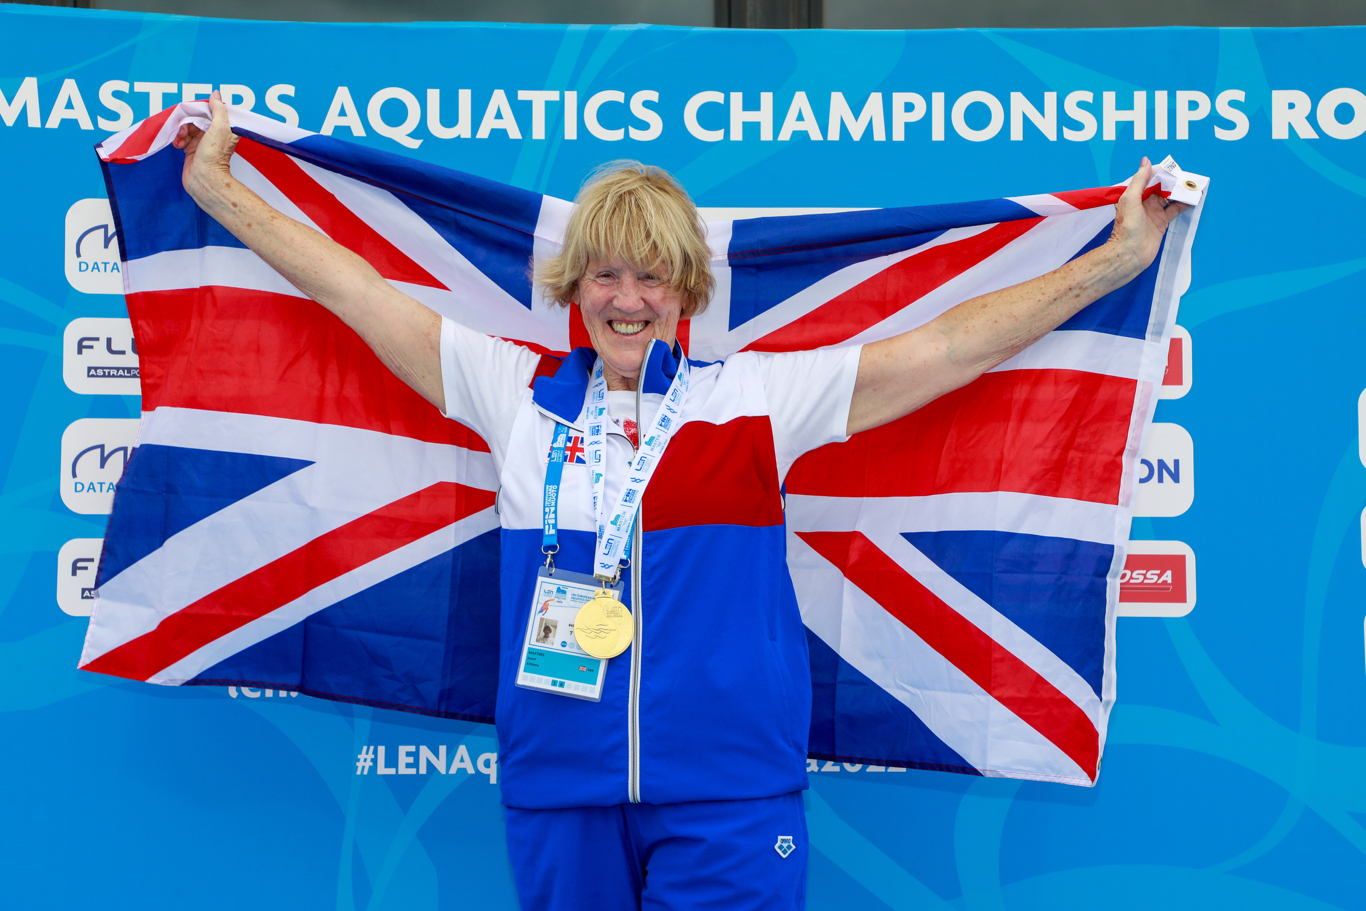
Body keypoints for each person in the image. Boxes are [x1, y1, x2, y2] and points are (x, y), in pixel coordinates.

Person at [174, 92, 1186, 911]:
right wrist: (218, 188)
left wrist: (1117, 260)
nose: (627, 298)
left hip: (730, 788)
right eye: (607, 274)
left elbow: (950, 345)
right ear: (575, 285)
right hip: (559, 778)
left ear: (687, 291)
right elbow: (355, 290)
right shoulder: (511, 390)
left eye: (652, 277)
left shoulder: (753, 397)